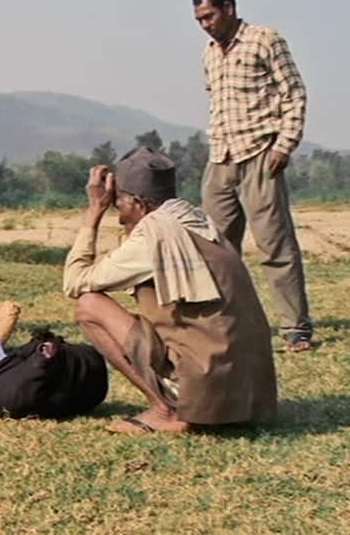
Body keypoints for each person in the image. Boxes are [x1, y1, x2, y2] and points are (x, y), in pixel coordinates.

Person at [64, 147, 277, 434]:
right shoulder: (197, 221)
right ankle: (198, 402)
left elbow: (75, 281)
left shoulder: (156, 235)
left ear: (138, 203)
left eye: (119, 204)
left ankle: (165, 409)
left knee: (89, 305)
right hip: (246, 392)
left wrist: (94, 212)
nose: (119, 215)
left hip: (206, 379)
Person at [193, 0, 314, 352]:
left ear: (229, 8)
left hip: (261, 152)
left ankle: (295, 328)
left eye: (209, 16)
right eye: (199, 19)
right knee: (215, 246)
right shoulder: (209, 53)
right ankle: (226, 322)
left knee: (274, 244)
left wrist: (284, 144)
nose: (205, 25)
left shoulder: (264, 39)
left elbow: (294, 93)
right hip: (221, 157)